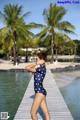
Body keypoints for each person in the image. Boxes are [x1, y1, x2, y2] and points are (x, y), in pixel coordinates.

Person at [25, 52, 50, 120]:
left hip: (39, 92)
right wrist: (37, 64)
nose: (36, 60)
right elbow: (29, 70)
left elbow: (27, 68)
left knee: (33, 113)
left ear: (41, 59)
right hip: (41, 92)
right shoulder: (41, 67)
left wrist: (36, 64)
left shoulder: (39, 68)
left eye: (37, 59)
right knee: (46, 113)